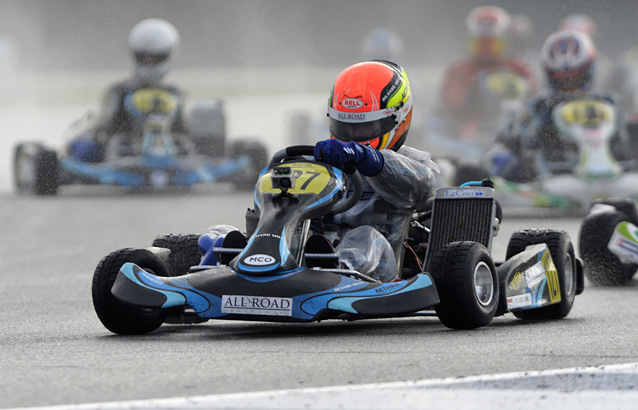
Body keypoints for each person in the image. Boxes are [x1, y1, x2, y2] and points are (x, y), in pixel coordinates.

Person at [313, 60, 440, 282]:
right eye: (345, 126)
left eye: (363, 126)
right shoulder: (331, 160)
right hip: (325, 248)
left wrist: (365, 158)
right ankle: (258, 258)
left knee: (363, 236)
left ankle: (338, 268)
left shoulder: (414, 161)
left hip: (382, 263)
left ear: (397, 119)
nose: (352, 136)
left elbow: (424, 186)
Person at [488, 30, 630, 182]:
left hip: (619, 173)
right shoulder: (539, 106)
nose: (570, 86)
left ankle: (608, 169)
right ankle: (540, 176)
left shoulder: (610, 102)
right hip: (551, 176)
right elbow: (512, 139)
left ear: (588, 70)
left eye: (576, 77)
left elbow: (626, 135)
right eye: (562, 80)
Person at [68, 18, 188, 162]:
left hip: (171, 152)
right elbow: (104, 129)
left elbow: (185, 132)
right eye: (144, 58)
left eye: (155, 59)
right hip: (121, 152)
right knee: (84, 148)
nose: (149, 63)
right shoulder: (119, 91)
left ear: (168, 55)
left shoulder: (175, 93)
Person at [431, 5, 536, 145]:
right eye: (481, 43)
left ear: (503, 41)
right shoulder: (459, 71)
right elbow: (451, 104)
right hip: (472, 128)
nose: (486, 49)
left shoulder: (518, 69)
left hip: (513, 130)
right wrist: (474, 91)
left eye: (491, 43)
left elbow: (534, 99)